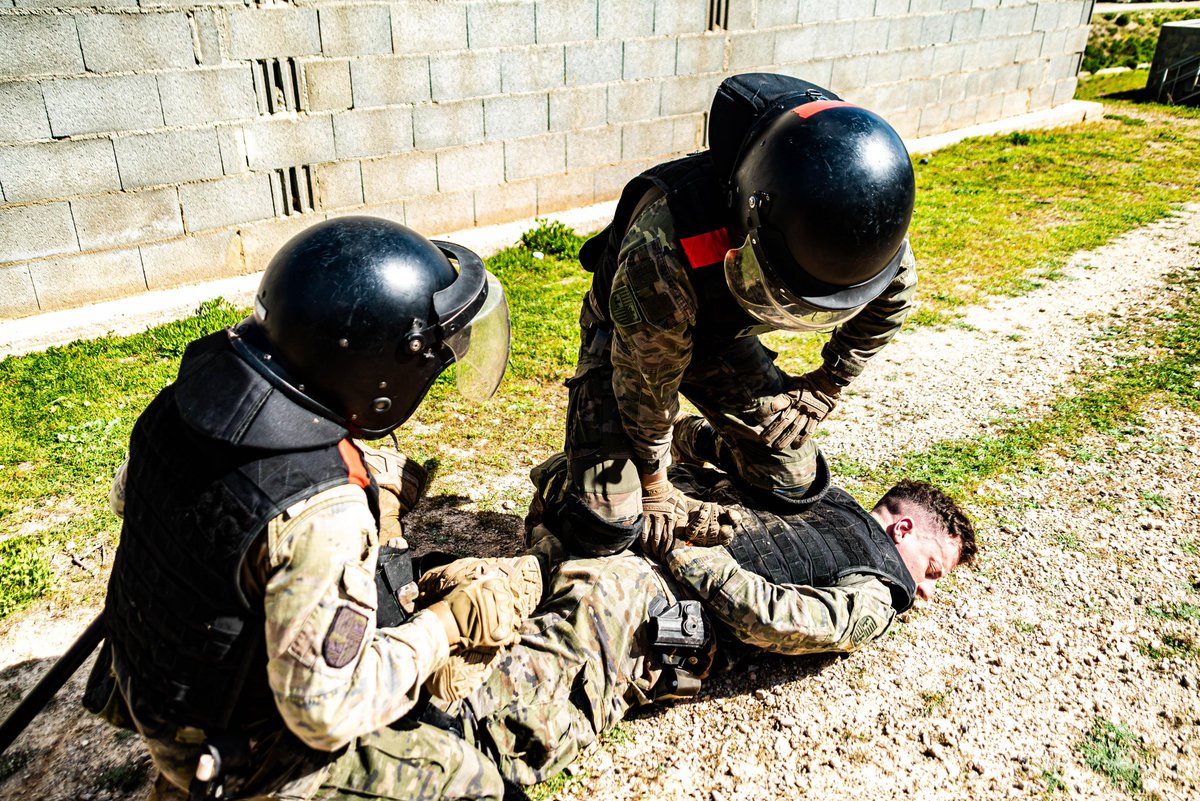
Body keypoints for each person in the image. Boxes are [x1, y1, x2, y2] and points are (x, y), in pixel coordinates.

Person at [88, 216, 539, 801]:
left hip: (157, 678)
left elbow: (136, 498)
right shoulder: (324, 517)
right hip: (235, 754)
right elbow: (322, 715)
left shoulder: (178, 407)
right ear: (385, 370)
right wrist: (445, 626)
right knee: (470, 779)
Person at [395, 450, 977, 795]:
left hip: (635, 543)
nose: (922, 593)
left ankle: (475, 595)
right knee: (500, 738)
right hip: (652, 590)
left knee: (570, 570)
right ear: (902, 532)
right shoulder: (879, 585)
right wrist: (681, 535)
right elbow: (782, 620)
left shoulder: (818, 489)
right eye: (931, 571)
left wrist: (679, 538)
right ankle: (425, 738)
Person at [562, 72, 919, 559]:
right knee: (608, 521)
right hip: (628, 347)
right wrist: (653, 480)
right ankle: (576, 474)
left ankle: (696, 441)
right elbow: (646, 383)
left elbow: (892, 298)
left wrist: (828, 384)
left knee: (792, 480)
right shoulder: (667, 246)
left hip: (717, 340)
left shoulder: (861, 222)